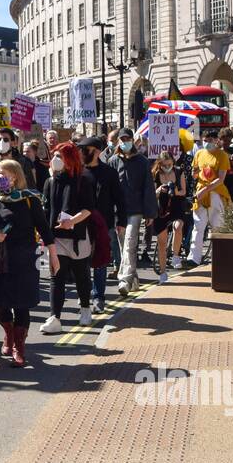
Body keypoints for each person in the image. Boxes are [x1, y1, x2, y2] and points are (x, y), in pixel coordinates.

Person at [0, 158, 57, 366]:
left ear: (16, 176)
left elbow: (44, 228)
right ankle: (8, 334)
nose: (0, 177)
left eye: (4, 173)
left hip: (25, 259)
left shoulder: (30, 199)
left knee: (21, 304)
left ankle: (19, 349)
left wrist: (53, 256)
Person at [37, 141, 97, 333]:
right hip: (56, 238)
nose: (55, 160)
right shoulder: (51, 181)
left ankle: (85, 309)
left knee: (81, 275)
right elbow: (46, 210)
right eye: (54, 156)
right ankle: (55, 317)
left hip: (78, 237)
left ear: (69, 159)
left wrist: (73, 221)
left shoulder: (84, 179)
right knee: (57, 276)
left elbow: (89, 208)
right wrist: (43, 235)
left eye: (59, 156)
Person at [108, 127, 157, 294]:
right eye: (121, 140)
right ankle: (134, 278)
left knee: (129, 244)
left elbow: (148, 188)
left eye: (127, 139)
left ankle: (124, 280)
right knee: (124, 248)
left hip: (135, 210)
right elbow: (108, 189)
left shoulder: (142, 162)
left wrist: (150, 213)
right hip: (118, 211)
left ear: (132, 140)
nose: (124, 142)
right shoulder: (113, 161)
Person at [77, 136, 122, 311]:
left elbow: (119, 198)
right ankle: (85, 296)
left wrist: (122, 221)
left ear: (95, 152)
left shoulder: (109, 173)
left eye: (84, 149)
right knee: (83, 262)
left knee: (101, 262)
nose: (81, 153)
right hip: (82, 224)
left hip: (105, 224)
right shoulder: (78, 172)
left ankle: (98, 297)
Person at [189, 130, 230, 267]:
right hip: (200, 193)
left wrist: (206, 189)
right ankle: (194, 258)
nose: (206, 143)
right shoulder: (199, 153)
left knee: (217, 226)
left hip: (216, 193)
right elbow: (194, 172)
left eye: (208, 140)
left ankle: (220, 258)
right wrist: (195, 174)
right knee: (198, 225)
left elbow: (221, 179)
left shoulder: (222, 155)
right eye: (204, 140)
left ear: (215, 140)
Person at [149, 152, 189, 284]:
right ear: (159, 164)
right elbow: (151, 195)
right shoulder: (155, 174)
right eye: (164, 165)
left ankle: (175, 255)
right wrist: (160, 189)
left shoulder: (179, 172)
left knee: (178, 226)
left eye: (170, 164)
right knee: (161, 242)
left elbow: (184, 191)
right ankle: (162, 271)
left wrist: (175, 190)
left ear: (173, 162)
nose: (167, 167)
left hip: (177, 205)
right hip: (161, 208)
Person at [0, 126, 35, 204]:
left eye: (5, 140)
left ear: (13, 143)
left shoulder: (23, 163)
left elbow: (31, 189)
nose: (1, 142)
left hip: (19, 209)